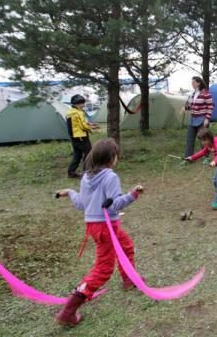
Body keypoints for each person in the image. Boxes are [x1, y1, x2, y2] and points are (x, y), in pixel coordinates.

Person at [54, 138, 144, 326]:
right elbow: (115, 204)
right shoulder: (110, 176)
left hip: (96, 226)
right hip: (105, 227)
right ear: (112, 157)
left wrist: (70, 192)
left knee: (126, 245)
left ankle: (129, 279)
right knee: (103, 269)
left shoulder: (86, 177)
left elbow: (81, 204)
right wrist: (133, 194)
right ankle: (68, 311)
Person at [185, 128, 217, 210]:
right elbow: (202, 152)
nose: (203, 143)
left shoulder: (216, 142)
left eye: (204, 140)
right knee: (214, 179)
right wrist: (192, 158)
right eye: (201, 141)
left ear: (209, 138)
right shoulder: (208, 145)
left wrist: (214, 161)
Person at [66, 94, 97, 178]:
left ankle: (71, 172)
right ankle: (86, 173)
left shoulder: (70, 112)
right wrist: (92, 127)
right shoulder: (78, 112)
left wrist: (89, 123)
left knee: (77, 155)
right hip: (81, 137)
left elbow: (78, 124)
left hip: (73, 137)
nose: (83, 105)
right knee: (88, 153)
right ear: (77, 104)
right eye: (82, 103)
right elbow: (82, 126)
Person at [184, 76, 213, 157]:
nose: (192, 84)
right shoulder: (193, 94)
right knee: (189, 139)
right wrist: (185, 108)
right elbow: (191, 106)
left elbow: (210, 106)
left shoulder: (206, 93)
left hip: (202, 119)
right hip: (192, 119)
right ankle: (188, 157)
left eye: (193, 82)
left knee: (203, 139)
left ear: (199, 83)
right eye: (191, 83)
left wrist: (207, 119)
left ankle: (206, 157)